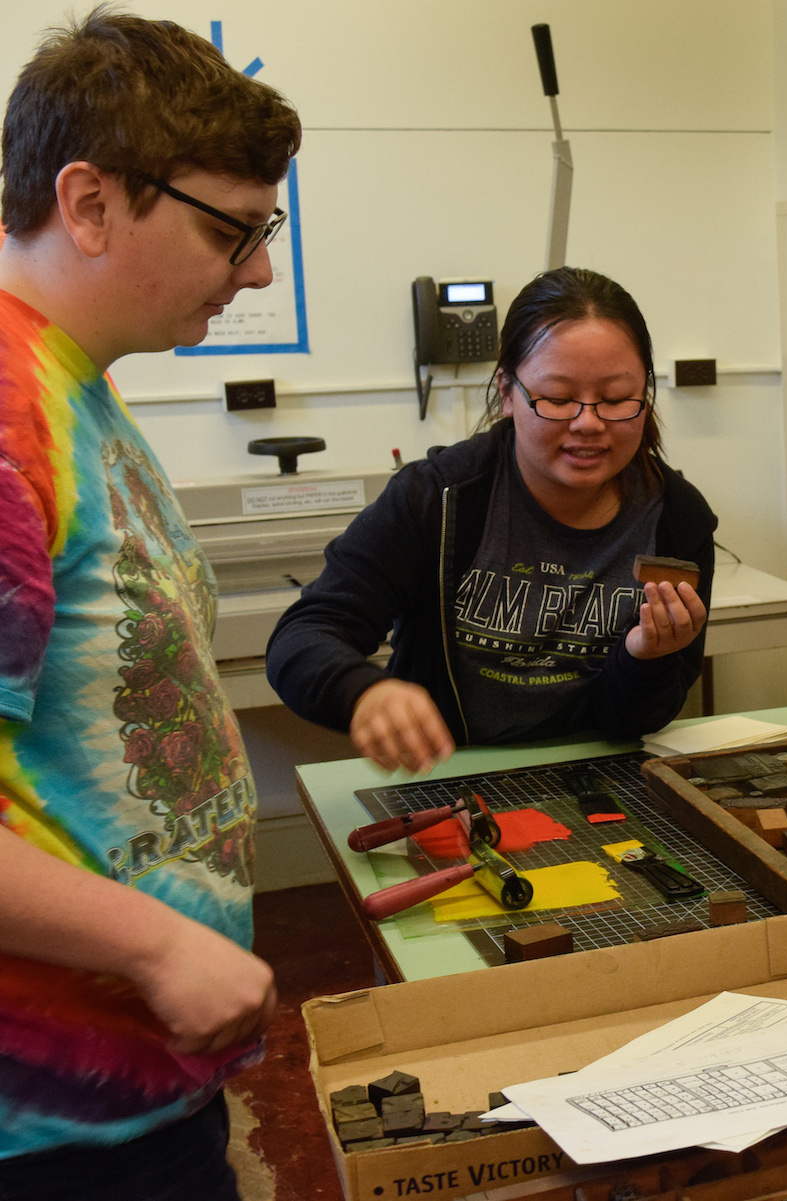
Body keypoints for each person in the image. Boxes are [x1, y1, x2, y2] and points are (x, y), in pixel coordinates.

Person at [0, 10, 298, 1196]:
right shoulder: (9, 426)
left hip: (141, 1092)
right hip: (53, 1141)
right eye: (235, 232)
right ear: (89, 202)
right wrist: (158, 941)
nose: (260, 270)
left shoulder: (78, 391)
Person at [268, 268, 714, 771]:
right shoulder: (437, 497)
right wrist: (363, 694)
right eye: (558, 398)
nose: (588, 423)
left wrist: (644, 658)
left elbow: (631, 720)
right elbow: (303, 635)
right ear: (507, 391)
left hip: (598, 783)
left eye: (615, 399)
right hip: (447, 782)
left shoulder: (677, 518)